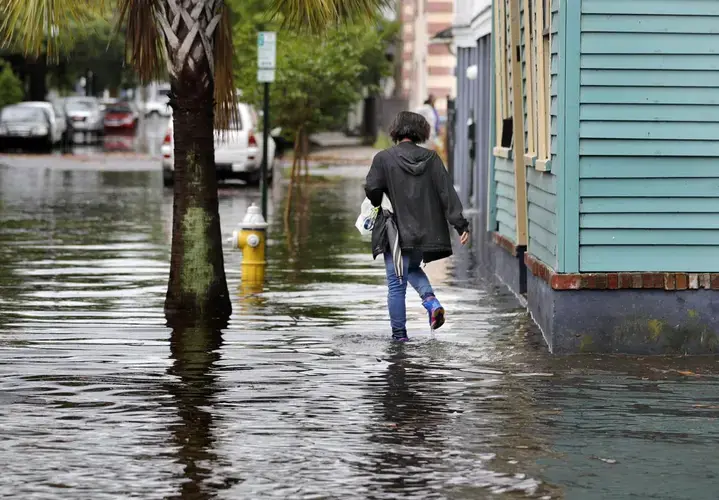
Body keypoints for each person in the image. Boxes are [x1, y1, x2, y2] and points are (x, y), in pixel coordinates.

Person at [365, 111, 470, 342]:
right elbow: (447, 194)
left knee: (396, 286)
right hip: (423, 233)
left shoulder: (383, 158)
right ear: (421, 132)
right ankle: (431, 303)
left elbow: (372, 189)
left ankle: (399, 338)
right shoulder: (432, 159)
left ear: (396, 130)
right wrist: (460, 225)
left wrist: (378, 199)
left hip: (395, 233)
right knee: (411, 268)